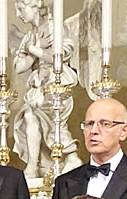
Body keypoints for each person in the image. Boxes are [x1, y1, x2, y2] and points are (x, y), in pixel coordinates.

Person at [11, 0, 81, 179]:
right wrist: (34, 48)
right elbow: (19, 67)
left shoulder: (54, 28)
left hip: (56, 83)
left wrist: (34, 49)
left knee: (55, 123)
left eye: (21, 9)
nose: (18, 15)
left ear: (34, 6)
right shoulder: (30, 35)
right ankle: (33, 164)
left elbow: (59, 58)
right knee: (29, 116)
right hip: (38, 87)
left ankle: (71, 156)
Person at [51, 98, 127, 199]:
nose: (93, 131)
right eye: (89, 124)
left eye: (105, 124)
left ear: (123, 131)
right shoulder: (63, 183)